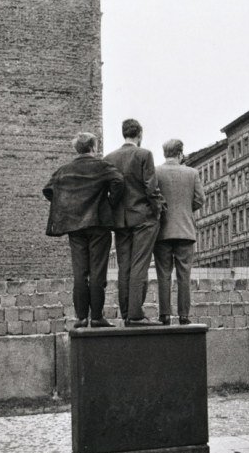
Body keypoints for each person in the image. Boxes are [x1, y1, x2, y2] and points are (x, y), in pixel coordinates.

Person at [43, 132, 124, 328]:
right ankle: (96, 316)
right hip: (98, 224)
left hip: (75, 226)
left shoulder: (64, 170)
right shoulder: (101, 166)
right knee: (98, 272)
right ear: (93, 147)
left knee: (80, 272)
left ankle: (81, 317)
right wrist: (109, 203)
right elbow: (119, 181)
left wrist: (68, 207)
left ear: (76, 149)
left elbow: (48, 190)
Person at [103, 119, 165, 326]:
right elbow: (151, 188)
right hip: (143, 218)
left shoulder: (109, 158)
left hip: (120, 221)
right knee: (140, 264)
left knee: (124, 267)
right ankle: (136, 314)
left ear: (123, 134)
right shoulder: (144, 154)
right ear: (139, 134)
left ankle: (126, 313)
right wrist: (157, 210)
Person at [153, 139, 204, 325]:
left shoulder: (156, 172)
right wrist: (185, 209)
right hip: (185, 231)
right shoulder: (192, 173)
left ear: (165, 153)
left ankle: (164, 315)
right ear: (180, 153)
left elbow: (152, 197)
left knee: (163, 275)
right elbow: (200, 199)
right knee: (184, 275)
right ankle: (184, 315)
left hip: (162, 232)